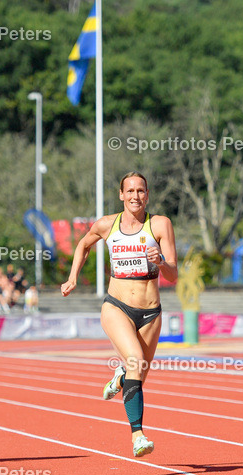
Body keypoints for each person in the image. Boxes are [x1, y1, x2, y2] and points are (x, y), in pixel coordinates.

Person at [61, 172, 177, 457]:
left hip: (150, 313)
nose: (136, 196)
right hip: (117, 307)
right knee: (136, 360)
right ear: (121, 195)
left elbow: (173, 274)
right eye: (130, 191)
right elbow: (83, 244)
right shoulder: (106, 224)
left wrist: (161, 262)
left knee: (139, 374)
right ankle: (138, 436)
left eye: (141, 191)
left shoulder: (160, 224)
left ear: (147, 194)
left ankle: (122, 377)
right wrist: (73, 277)